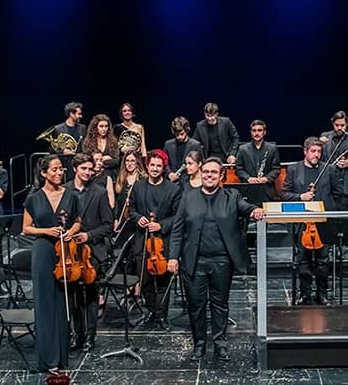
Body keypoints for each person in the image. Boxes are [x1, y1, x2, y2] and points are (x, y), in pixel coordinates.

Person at [167, 158, 265, 362]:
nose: (209, 175)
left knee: (220, 304)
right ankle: (200, 344)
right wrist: (173, 257)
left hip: (221, 262)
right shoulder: (188, 197)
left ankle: (220, 344)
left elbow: (245, 207)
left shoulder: (232, 195)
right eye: (206, 172)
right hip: (194, 262)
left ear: (221, 176)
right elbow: (177, 230)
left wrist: (254, 210)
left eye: (213, 172)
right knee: (196, 305)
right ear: (201, 174)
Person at [22, 155, 82, 375]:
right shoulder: (34, 198)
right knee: (45, 304)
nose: (59, 172)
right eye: (54, 169)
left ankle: (62, 356)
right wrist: (47, 231)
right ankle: (47, 359)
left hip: (64, 252)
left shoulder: (71, 196)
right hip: (43, 252)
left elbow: (77, 222)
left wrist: (70, 233)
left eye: (60, 169)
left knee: (62, 302)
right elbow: (26, 228)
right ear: (44, 173)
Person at [130, 149, 182, 330]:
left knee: (162, 281)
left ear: (163, 168)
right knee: (144, 281)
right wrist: (138, 218)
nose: (154, 168)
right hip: (142, 241)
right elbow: (132, 209)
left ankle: (162, 315)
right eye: (152, 165)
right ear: (147, 165)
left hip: (163, 242)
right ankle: (151, 312)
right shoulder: (138, 186)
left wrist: (161, 225)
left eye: (158, 166)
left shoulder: (173, 189)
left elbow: (177, 216)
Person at [280, 137, 336, 305]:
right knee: (303, 260)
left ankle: (322, 293)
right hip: (302, 223)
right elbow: (284, 194)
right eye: (313, 151)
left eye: (319, 151)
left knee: (323, 261)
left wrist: (330, 213)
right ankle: (305, 293)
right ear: (305, 151)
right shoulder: (293, 169)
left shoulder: (329, 169)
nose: (316, 155)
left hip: (323, 221)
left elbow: (337, 194)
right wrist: (300, 197)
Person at [66, 154, 113, 352]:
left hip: (92, 252)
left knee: (91, 295)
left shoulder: (100, 192)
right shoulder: (65, 190)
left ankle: (90, 336)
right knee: (74, 296)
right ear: (75, 168)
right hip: (69, 252)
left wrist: (88, 235)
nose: (87, 172)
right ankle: (78, 334)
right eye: (83, 168)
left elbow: (108, 225)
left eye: (90, 169)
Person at [234, 120, 282, 201]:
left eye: (259, 130)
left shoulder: (272, 148)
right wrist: (248, 178)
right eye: (254, 130)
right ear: (251, 132)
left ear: (264, 132)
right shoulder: (243, 149)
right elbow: (238, 169)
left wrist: (266, 178)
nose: (256, 133)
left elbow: (276, 169)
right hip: (248, 190)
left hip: (267, 191)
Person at [113, 149, 146, 227]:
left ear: (137, 162)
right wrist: (116, 219)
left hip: (137, 218)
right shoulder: (121, 178)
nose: (129, 164)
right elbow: (117, 202)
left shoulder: (142, 179)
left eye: (132, 161)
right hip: (123, 218)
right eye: (127, 161)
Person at [165, 116, 203, 182]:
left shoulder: (196, 145)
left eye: (182, 134)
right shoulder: (168, 144)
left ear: (187, 130)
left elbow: (201, 163)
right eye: (177, 135)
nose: (179, 137)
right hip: (172, 182)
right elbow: (165, 162)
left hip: (190, 182)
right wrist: (169, 173)